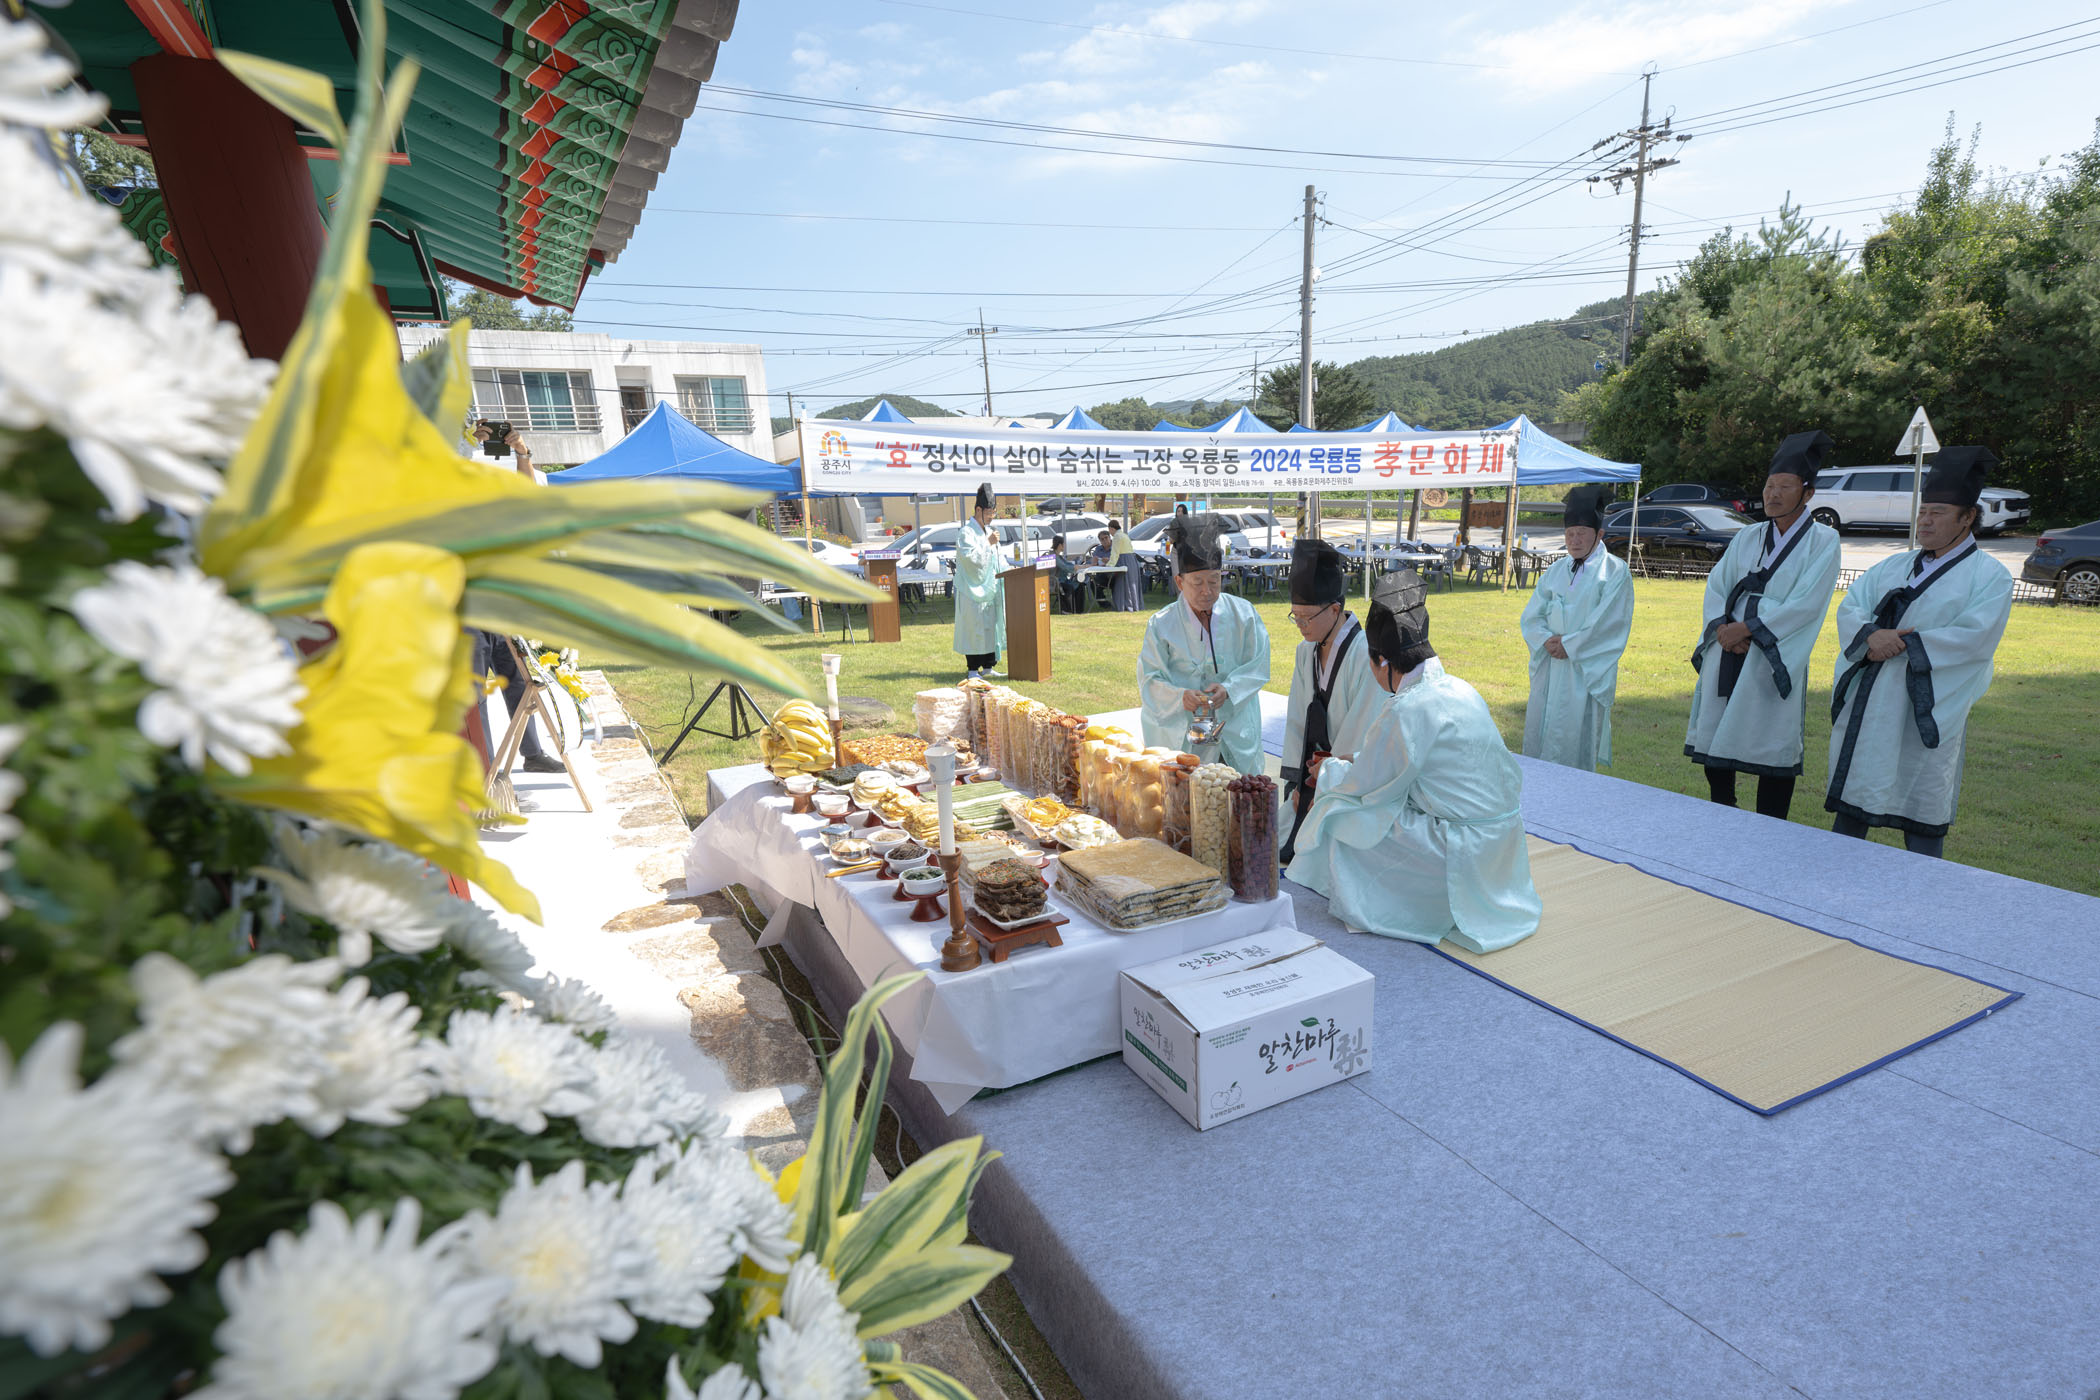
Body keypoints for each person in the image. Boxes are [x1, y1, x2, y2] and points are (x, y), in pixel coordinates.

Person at [1285, 570, 1541, 954]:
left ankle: (1387, 907)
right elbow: (1416, 761)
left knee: (1344, 815)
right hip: (1503, 841)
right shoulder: (1461, 689)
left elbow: (1364, 786)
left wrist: (1329, 770)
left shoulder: (1406, 708)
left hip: (1461, 847)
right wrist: (1355, 759)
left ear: (1381, 661)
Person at [1824, 446, 2013, 858]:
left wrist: (1904, 642)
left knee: (1922, 796)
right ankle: (1834, 872)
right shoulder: (1892, 566)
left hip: (1926, 703)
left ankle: (1927, 881)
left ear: (1968, 517)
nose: (1925, 520)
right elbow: (1851, 607)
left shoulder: (1990, 576)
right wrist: (1871, 636)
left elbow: (1975, 637)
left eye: (1938, 513)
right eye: (1922, 511)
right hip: (1872, 699)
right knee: (1859, 787)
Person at [1684, 431, 1843, 820]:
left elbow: (1807, 603)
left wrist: (1749, 628)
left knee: (1772, 737)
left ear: (1807, 493)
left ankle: (1772, 827)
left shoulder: (1824, 541)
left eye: (1785, 487)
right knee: (1717, 726)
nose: (1773, 494)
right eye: (1770, 486)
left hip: (1772, 653)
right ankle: (1723, 809)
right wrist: (1723, 628)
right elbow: (1718, 585)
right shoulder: (1749, 535)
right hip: (1728, 646)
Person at [1137, 513, 1271, 773]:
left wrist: (1229, 689)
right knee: (1190, 788)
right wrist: (1180, 697)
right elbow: (1150, 679)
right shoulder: (1162, 624)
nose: (1207, 591)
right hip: (1185, 731)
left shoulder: (1244, 614)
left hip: (1234, 726)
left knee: (1238, 788)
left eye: (1214, 580)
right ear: (1179, 582)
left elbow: (1258, 664)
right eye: (1197, 583)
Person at [1278, 537, 1381, 865]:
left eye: (1306, 618)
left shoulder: (1365, 655)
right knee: (1277, 840)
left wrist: (1327, 787)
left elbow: (1360, 731)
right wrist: (1297, 784)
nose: (1300, 626)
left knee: (1327, 858)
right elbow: (1298, 719)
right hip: (1312, 776)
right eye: (1295, 617)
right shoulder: (1305, 650)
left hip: (1346, 782)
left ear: (1335, 609)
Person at [1519, 485, 1635, 771]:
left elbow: (1609, 623)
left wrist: (1570, 645)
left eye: (1582, 532)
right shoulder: (1556, 569)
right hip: (1551, 665)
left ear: (1599, 534)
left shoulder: (1614, 572)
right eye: (1570, 533)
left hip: (1582, 669)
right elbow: (1532, 614)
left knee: (1573, 736)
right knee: (1541, 731)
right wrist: (1545, 639)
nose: (1575, 540)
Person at [953, 484, 1005, 678]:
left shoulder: (988, 531)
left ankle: (989, 666)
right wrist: (987, 543)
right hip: (971, 589)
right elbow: (970, 559)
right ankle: (973, 669)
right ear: (978, 510)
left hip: (990, 587)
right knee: (974, 628)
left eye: (993, 512)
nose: (991, 517)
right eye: (989, 512)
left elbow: (996, 557)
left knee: (990, 626)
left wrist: (1007, 569)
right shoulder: (966, 533)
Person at [1108, 517, 1143, 611]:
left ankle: (1126, 605)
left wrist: (1109, 566)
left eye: (1109, 530)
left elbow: (1115, 553)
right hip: (1131, 560)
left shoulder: (1117, 536)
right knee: (1131, 584)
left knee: (1123, 584)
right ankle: (1134, 605)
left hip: (1124, 560)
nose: (1110, 533)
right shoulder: (1124, 535)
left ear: (1111, 528)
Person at [1050, 534, 1087, 614]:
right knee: (1069, 587)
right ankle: (1067, 610)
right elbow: (1065, 567)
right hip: (1055, 583)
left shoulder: (1058, 556)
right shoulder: (1053, 556)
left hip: (1063, 581)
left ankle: (1079, 611)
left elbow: (1068, 564)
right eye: (1064, 544)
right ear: (1060, 545)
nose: (1065, 546)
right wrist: (1078, 567)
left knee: (1080, 584)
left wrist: (1082, 566)